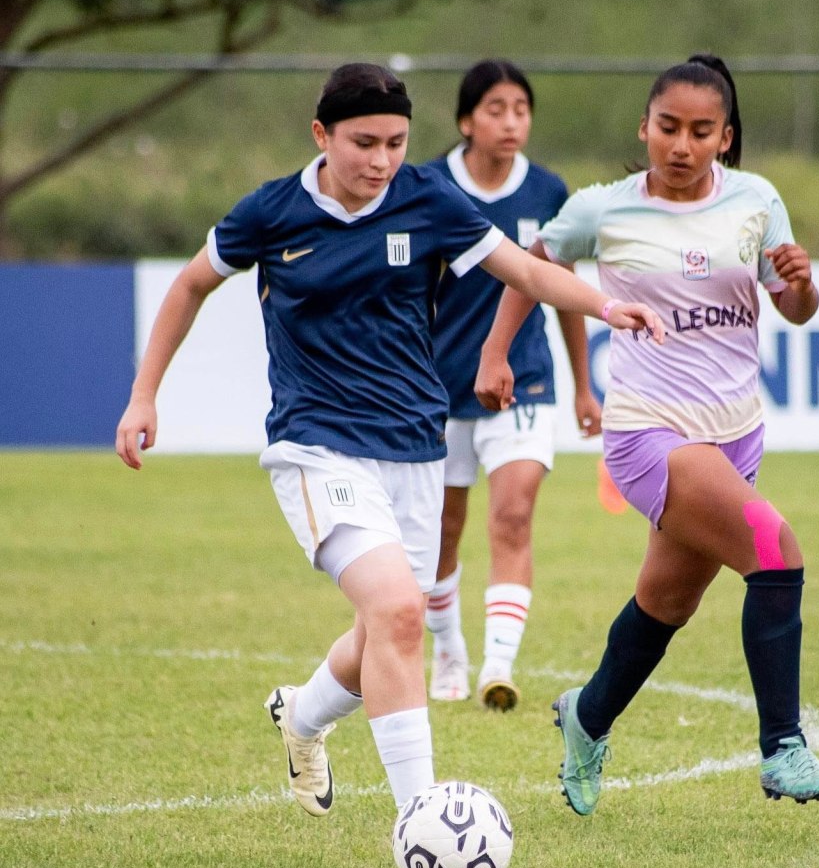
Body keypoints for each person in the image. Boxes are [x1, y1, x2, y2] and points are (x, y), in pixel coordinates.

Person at [114, 62, 663, 821]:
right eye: (362, 142)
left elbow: (526, 274)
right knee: (402, 614)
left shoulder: (429, 198)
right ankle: (424, 823)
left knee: (383, 627)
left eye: (396, 143)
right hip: (314, 447)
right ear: (321, 135)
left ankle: (302, 720)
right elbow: (190, 286)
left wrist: (610, 306)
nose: (379, 161)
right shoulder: (271, 212)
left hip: (414, 450)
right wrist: (145, 395)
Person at [476, 54, 819, 813]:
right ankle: (783, 748)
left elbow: (797, 310)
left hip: (737, 435)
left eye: (701, 131)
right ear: (644, 127)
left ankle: (585, 716)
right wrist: (494, 352)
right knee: (775, 551)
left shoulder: (756, 201)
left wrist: (804, 283)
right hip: (648, 432)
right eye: (669, 127)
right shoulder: (602, 209)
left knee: (666, 604)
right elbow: (528, 267)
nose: (682, 145)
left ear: (726, 137)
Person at [424, 60, 602, 710]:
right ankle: (448, 650)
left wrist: (585, 388)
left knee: (514, 514)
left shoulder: (549, 194)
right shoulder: (428, 187)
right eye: (495, 109)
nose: (510, 121)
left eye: (521, 108)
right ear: (466, 120)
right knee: (443, 529)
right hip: (437, 388)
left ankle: (497, 667)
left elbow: (563, 296)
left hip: (522, 382)